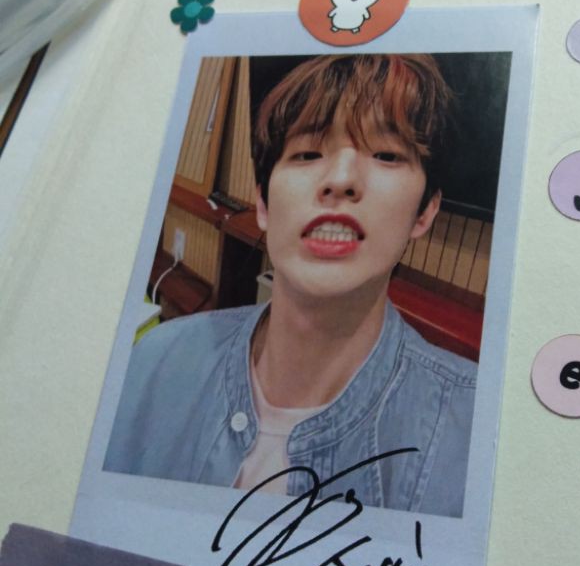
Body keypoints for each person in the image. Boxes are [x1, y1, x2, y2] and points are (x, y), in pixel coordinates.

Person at [104, 54, 477, 518]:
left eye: (386, 155)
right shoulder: (153, 363)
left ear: (425, 211)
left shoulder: (473, 437)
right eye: (307, 154)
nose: (340, 180)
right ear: (262, 202)